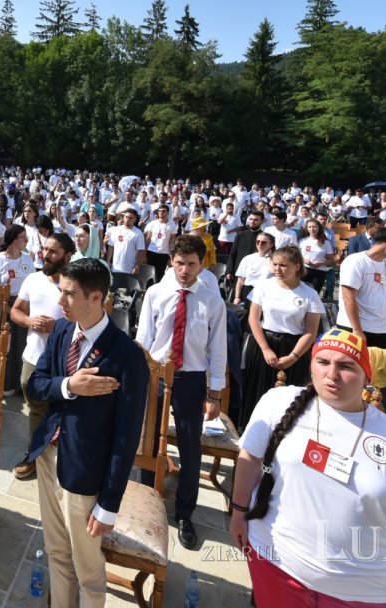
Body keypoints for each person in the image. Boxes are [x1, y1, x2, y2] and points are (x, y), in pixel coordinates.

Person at [229, 328, 386, 607]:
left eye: (346, 366)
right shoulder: (277, 402)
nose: (332, 374)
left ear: (367, 377)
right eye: (323, 362)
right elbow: (251, 459)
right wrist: (238, 512)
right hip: (277, 566)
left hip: (365, 591)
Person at [25, 258, 149, 608]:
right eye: (60, 291)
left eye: (69, 294)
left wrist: (109, 504)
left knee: (88, 569)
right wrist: (69, 386)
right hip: (49, 457)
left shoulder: (127, 355)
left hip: (85, 472)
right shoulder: (62, 332)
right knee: (56, 551)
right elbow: (35, 385)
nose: (60, 301)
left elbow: (126, 437)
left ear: (96, 297)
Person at [136, 233, 227, 548]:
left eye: (191, 264)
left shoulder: (212, 301)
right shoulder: (156, 293)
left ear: (201, 265)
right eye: (179, 263)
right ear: (171, 262)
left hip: (191, 379)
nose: (185, 270)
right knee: (148, 441)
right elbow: (144, 337)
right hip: (157, 376)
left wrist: (214, 394)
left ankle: (185, 513)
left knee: (190, 446)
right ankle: (148, 498)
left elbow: (218, 349)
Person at [237, 245, 324, 431]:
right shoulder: (264, 286)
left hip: (293, 348)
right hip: (263, 345)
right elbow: (254, 319)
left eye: (283, 265)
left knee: (288, 400)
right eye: (275, 264)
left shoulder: (310, 294)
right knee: (257, 392)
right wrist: (265, 349)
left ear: (297, 266)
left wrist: (293, 357)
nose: (277, 269)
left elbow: (311, 331)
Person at [10, 232, 74, 478]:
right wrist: (29, 321)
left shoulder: (76, 285)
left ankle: (62, 459)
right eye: (45, 249)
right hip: (34, 357)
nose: (46, 255)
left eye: (53, 251)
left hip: (66, 362)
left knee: (65, 411)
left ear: (67, 256)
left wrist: (57, 327)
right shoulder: (33, 279)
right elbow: (16, 311)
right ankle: (35, 455)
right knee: (36, 409)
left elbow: (88, 322)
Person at [336, 227, 386, 348]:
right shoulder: (354, 261)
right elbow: (348, 298)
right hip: (354, 328)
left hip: (383, 331)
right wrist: (357, 329)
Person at [0, 224, 36, 397]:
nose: (26, 241)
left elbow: (33, 285)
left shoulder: (28, 259)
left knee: (21, 345)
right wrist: (8, 308)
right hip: (4, 307)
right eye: (24, 238)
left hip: (24, 306)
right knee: (6, 347)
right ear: (14, 240)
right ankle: (5, 384)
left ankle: (19, 384)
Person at [233, 232, 275, 305]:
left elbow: (273, 271)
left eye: (263, 242)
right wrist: (237, 297)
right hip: (248, 291)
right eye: (258, 241)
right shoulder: (248, 258)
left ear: (271, 245)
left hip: (265, 293)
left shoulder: (275, 260)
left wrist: (268, 257)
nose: (260, 244)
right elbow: (240, 281)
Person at [299, 218, 335, 295]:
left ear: (319, 228)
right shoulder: (302, 241)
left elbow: (331, 260)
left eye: (314, 227)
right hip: (304, 269)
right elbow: (296, 256)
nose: (312, 229)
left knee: (314, 294)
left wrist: (320, 263)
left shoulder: (326, 242)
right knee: (301, 293)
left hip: (319, 271)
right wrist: (304, 260)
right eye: (309, 227)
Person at [105, 207, 146, 275]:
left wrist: (136, 266)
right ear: (123, 217)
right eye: (126, 217)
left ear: (135, 219)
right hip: (115, 268)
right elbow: (111, 247)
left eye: (130, 218)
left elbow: (141, 251)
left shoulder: (138, 233)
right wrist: (108, 261)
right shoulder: (115, 230)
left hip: (129, 269)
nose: (127, 220)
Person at [143, 204, 176, 281]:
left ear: (167, 212)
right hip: (151, 251)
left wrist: (171, 255)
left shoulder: (172, 225)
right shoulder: (152, 224)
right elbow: (147, 239)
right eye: (159, 211)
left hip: (164, 253)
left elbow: (172, 241)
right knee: (149, 273)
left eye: (163, 211)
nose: (161, 213)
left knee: (160, 274)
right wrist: (144, 253)